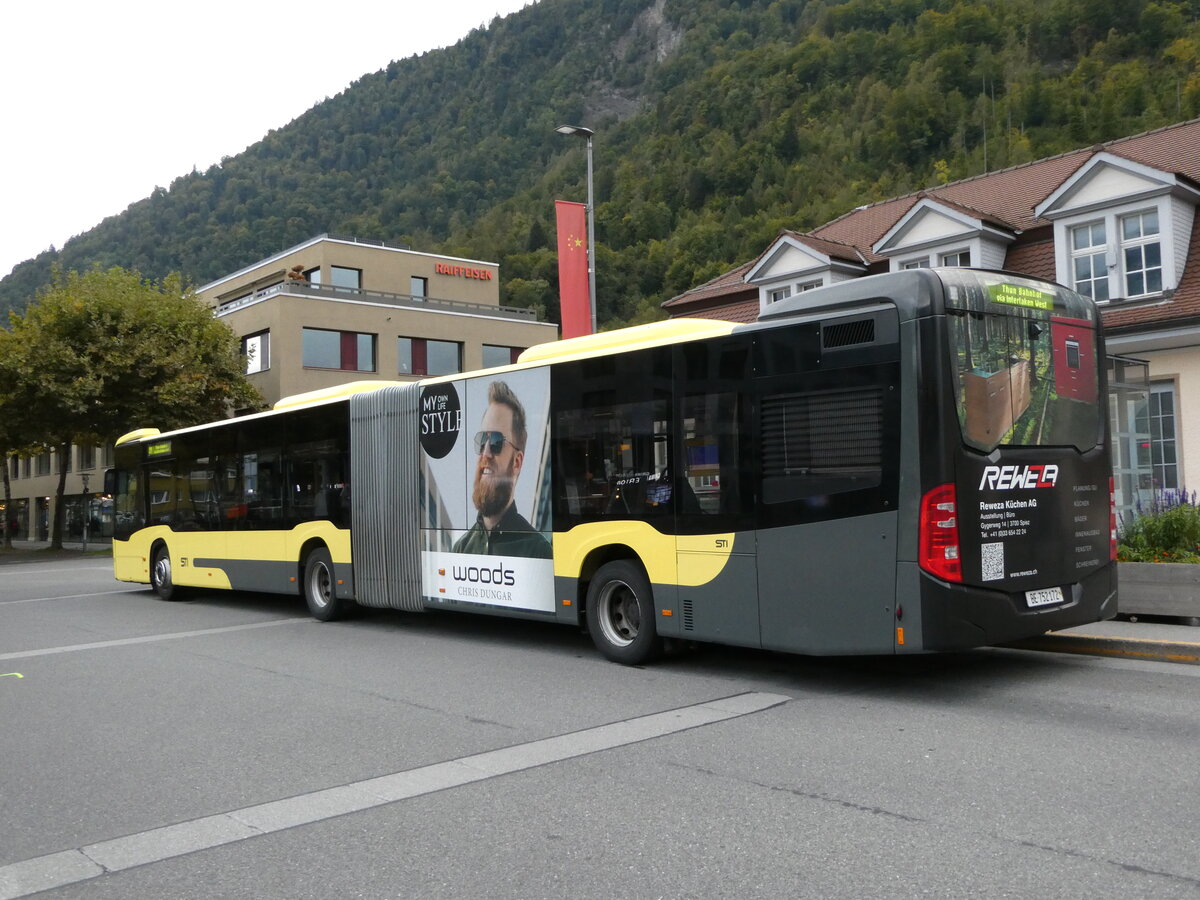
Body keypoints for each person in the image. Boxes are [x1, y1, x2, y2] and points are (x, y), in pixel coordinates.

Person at [453, 380, 552, 558]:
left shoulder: (537, 550)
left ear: (517, 462)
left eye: (497, 442)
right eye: (482, 441)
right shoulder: (461, 548)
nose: (486, 453)